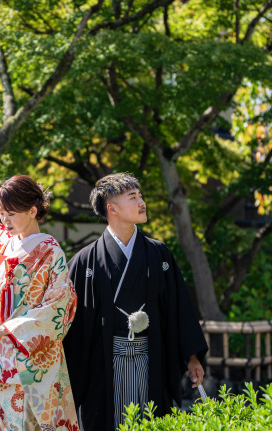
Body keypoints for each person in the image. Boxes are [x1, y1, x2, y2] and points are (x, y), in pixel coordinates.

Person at [64, 173, 208, 431]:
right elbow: (71, 325)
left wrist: (192, 355)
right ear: (112, 209)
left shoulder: (159, 253)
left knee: (151, 421)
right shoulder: (85, 261)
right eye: (133, 197)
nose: (142, 202)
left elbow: (179, 308)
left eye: (140, 196)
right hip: (104, 365)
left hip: (151, 357)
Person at [0, 175, 79, 431]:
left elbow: (57, 308)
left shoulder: (50, 251)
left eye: (10, 213)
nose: (4, 220)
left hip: (29, 360)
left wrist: (7, 328)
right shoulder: (2, 249)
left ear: (32, 211)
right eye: (1, 213)